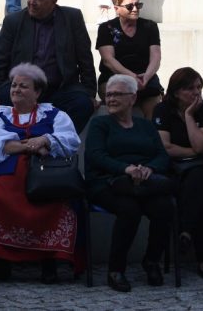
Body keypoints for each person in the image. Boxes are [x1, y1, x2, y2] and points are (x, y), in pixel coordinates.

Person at [0, 63, 80, 282]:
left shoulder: (54, 114)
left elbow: (70, 140)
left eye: (23, 86)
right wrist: (33, 145)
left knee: (57, 203)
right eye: (14, 85)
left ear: (37, 92)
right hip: (7, 174)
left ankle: (48, 263)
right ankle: (2, 262)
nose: (16, 90)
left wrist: (46, 139)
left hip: (45, 176)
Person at [84, 74, 173, 292]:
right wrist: (126, 169)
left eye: (117, 94)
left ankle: (151, 261)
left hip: (142, 182)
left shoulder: (145, 125)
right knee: (130, 210)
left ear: (133, 98)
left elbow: (162, 156)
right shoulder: (100, 124)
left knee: (164, 207)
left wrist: (147, 169)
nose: (111, 99)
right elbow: (96, 156)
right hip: (107, 182)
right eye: (108, 95)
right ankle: (116, 270)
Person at [0, 0, 98, 133]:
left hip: (61, 88)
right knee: (6, 97)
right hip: (23, 86)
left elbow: (85, 57)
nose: (32, 2)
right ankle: (27, 142)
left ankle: (52, 142)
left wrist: (90, 92)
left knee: (83, 104)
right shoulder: (14, 21)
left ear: (53, 2)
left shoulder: (71, 18)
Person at [153, 67, 203, 280]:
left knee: (198, 179)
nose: (196, 93)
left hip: (201, 170)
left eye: (199, 87)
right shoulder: (162, 110)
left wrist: (190, 115)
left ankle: (186, 231)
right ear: (176, 91)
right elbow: (166, 148)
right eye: (190, 88)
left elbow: (202, 146)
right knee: (197, 187)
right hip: (173, 170)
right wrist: (194, 152)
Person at [96, 0, 161, 119]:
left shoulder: (150, 26)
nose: (135, 9)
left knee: (154, 112)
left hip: (144, 78)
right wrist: (132, 78)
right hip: (114, 78)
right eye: (130, 6)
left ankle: (149, 138)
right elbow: (109, 61)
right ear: (117, 9)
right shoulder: (106, 28)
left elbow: (156, 57)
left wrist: (146, 77)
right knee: (118, 104)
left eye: (138, 5)